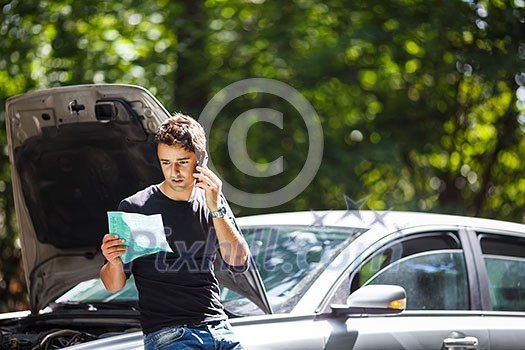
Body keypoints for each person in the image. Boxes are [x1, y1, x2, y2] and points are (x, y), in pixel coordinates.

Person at [100, 113, 250, 350]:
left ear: (201, 161)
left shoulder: (212, 202)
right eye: (166, 163)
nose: (174, 173)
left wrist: (216, 208)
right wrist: (113, 261)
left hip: (220, 328)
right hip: (170, 335)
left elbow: (238, 261)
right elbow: (113, 285)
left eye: (182, 162)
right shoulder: (136, 207)